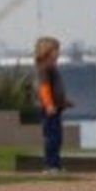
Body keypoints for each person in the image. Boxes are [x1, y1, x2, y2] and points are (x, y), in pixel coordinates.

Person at [35, 36, 72, 173]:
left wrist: (64, 102)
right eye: (55, 50)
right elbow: (44, 89)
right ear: (46, 52)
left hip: (55, 108)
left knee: (57, 137)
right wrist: (49, 105)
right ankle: (50, 165)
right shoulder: (45, 68)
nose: (58, 53)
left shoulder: (52, 68)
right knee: (52, 137)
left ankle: (56, 164)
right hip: (49, 109)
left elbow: (55, 89)